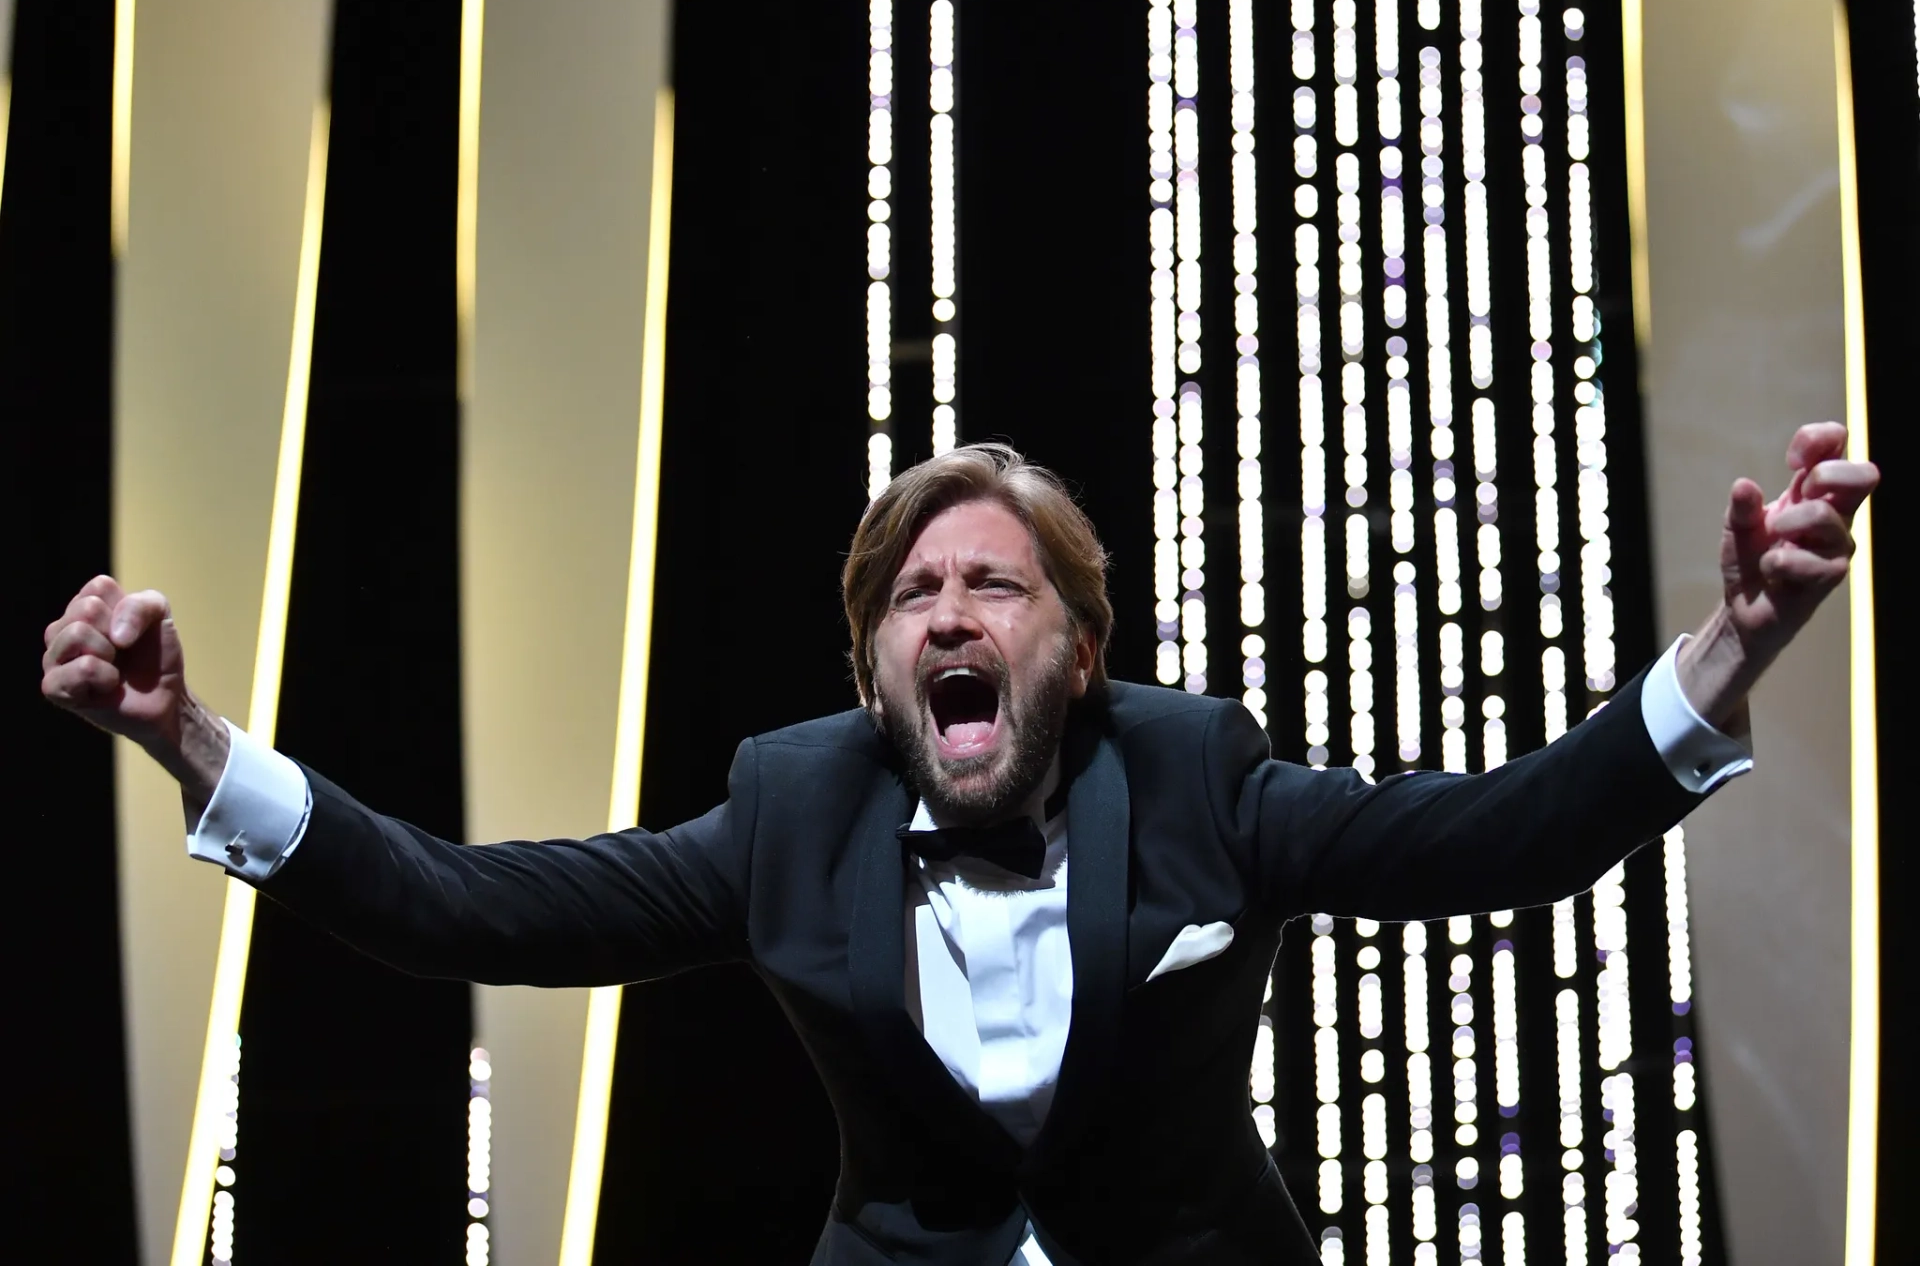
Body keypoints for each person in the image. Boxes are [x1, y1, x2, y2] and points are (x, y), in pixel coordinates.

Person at [42, 426, 1875, 1265]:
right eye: (912, 595)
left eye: (991, 583)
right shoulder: (791, 803)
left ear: (1074, 649)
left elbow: (1496, 839)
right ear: (876, 670)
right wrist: (185, 740)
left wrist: (1730, 652)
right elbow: (469, 906)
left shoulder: (1199, 779)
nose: (946, 614)